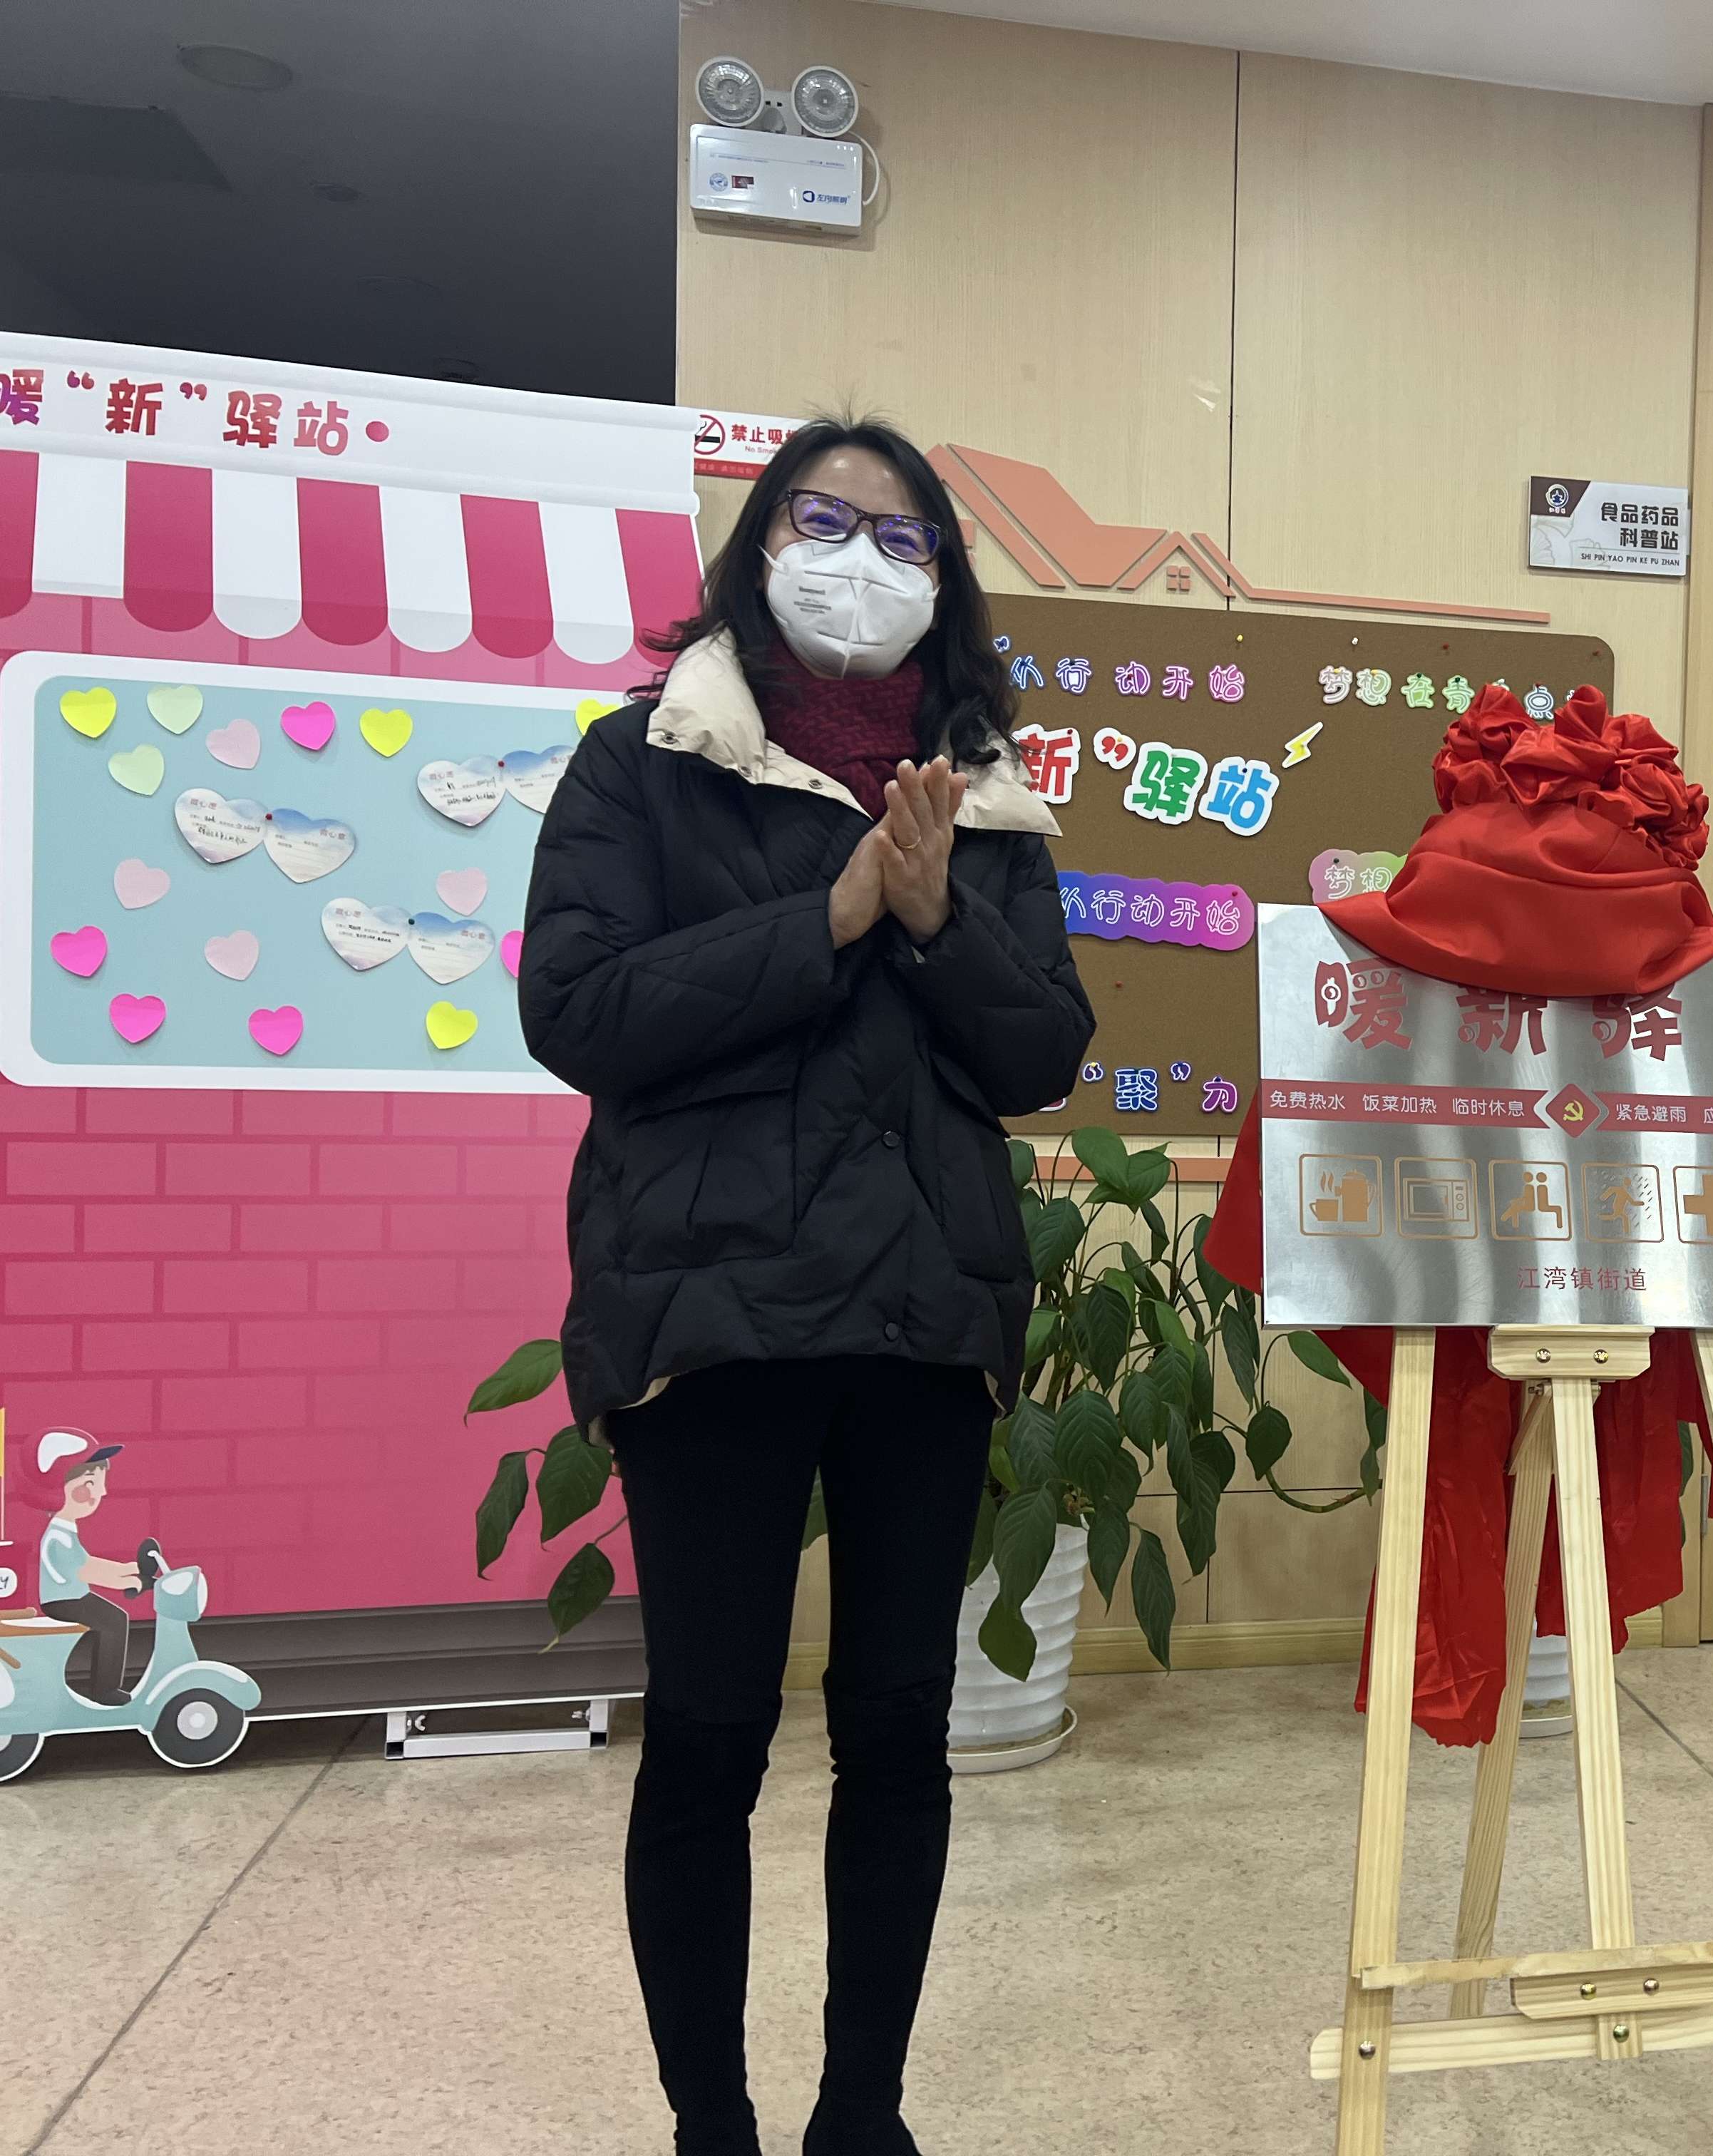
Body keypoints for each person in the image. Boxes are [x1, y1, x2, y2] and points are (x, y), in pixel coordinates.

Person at [521, 416, 1094, 2156]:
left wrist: (932, 916)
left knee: (899, 1735)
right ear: (760, 542)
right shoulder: (645, 761)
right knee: (708, 1735)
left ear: (948, 584)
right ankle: (712, 2126)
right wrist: (833, 915)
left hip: (924, 1316)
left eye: (906, 539)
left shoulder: (983, 794)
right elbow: (582, 1011)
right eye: (826, 522)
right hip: (715, 1319)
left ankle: (862, 2116)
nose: (862, 562)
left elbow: (1042, 1055)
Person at [35, 1434, 141, 1705]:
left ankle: (104, 1688)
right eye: (90, 1484)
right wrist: (125, 1581)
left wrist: (126, 1569)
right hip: (64, 1601)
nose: (101, 1492)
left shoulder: (66, 1531)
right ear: (59, 1490)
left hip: (74, 1596)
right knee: (115, 1621)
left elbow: (89, 1563)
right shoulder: (58, 1536)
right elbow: (86, 1571)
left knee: (114, 1619)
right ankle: (104, 1690)